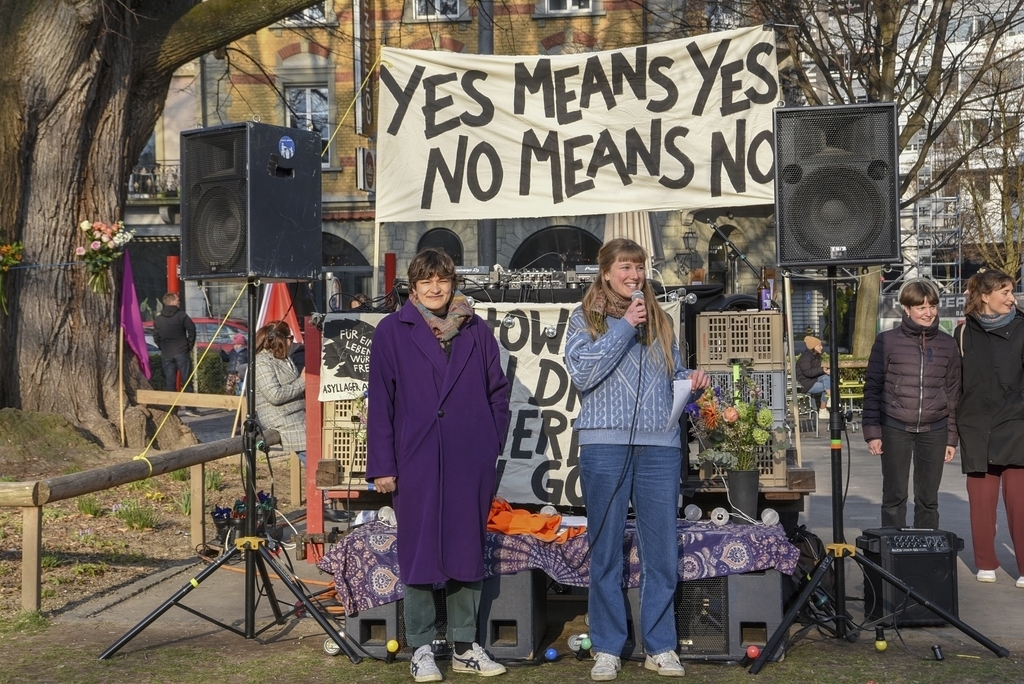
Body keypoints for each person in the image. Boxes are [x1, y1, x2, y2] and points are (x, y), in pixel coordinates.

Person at [564, 238, 709, 681]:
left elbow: (671, 372)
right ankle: (607, 646)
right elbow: (583, 372)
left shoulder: (660, 319)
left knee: (661, 548)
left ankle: (660, 645)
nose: (634, 275)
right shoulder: (583, 317)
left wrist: (691, 381)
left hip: (659, 446)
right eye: (625, 267)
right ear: (606, 272)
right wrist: (625, 325)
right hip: (604, 445)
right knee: (605, 547)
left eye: (639, 267)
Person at [367, 248, 511, 681]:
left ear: (453, 284)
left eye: (442, 280)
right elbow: (381, 404)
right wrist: (383, 465)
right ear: (413, 286)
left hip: (470, 457)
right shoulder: (392, 331)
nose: (435, 288)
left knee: (467, 548)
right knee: (419, 552)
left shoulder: (477, 331)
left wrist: (490, 442)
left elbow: (497, 393)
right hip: (417, 458)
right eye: (426, 281)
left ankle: (466, 645)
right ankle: (423, 646)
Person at [862, 278, 960, 530]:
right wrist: (872, 432)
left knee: (928, 499)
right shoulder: (886, 341)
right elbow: (873, 388)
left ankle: (926, 557)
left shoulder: (948, 343)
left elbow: (952, 393)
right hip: (895, 427)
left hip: (935, 430)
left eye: (932, 306)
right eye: (921, 307)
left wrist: (951, 438)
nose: (928, 312)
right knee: (894, 497)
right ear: (906, 309)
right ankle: (892, 557)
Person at [954, 270, 1024, 587]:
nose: (1012, 298)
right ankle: (986, 562)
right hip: (976, 426)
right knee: (981, 504)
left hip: (1017, 425)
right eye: (1005, 292)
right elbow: (955, 384)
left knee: (1020, 504)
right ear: (985, 296)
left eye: (1012, 291)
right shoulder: (963, 333)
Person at [254, 320, 306, 464]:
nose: (292, 342)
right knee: (315, 462)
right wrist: (303, 381)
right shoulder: (262, 362)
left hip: (298, 416)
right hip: (282, 419)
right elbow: (274, 395)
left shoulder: (284, 358)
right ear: (282, 339)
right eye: (290, 338)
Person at [152, 292, 197, 415]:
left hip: (167, 353)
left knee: (170, 381)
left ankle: (171, 409)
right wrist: (189, 345)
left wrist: (162, 347)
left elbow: (156, 336)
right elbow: (192, 330)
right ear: (172, 301)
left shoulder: (158, 319)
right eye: (177, 300)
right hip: (181, 350)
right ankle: (190, 408)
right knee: (186, 380)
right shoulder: (181, 315)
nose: (179, 302)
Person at [796, 335, 831, 420]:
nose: (822, 347)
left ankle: (828, 402)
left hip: (812, 380)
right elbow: (808, 373)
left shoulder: (816, 357)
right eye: (819, 345)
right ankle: (825, 407)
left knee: (827, 379)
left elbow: (815, 372)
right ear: (813, 347)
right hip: (805, 384)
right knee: (829, 386)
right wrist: (822, 370)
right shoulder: (805, 357)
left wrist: (825, 371)